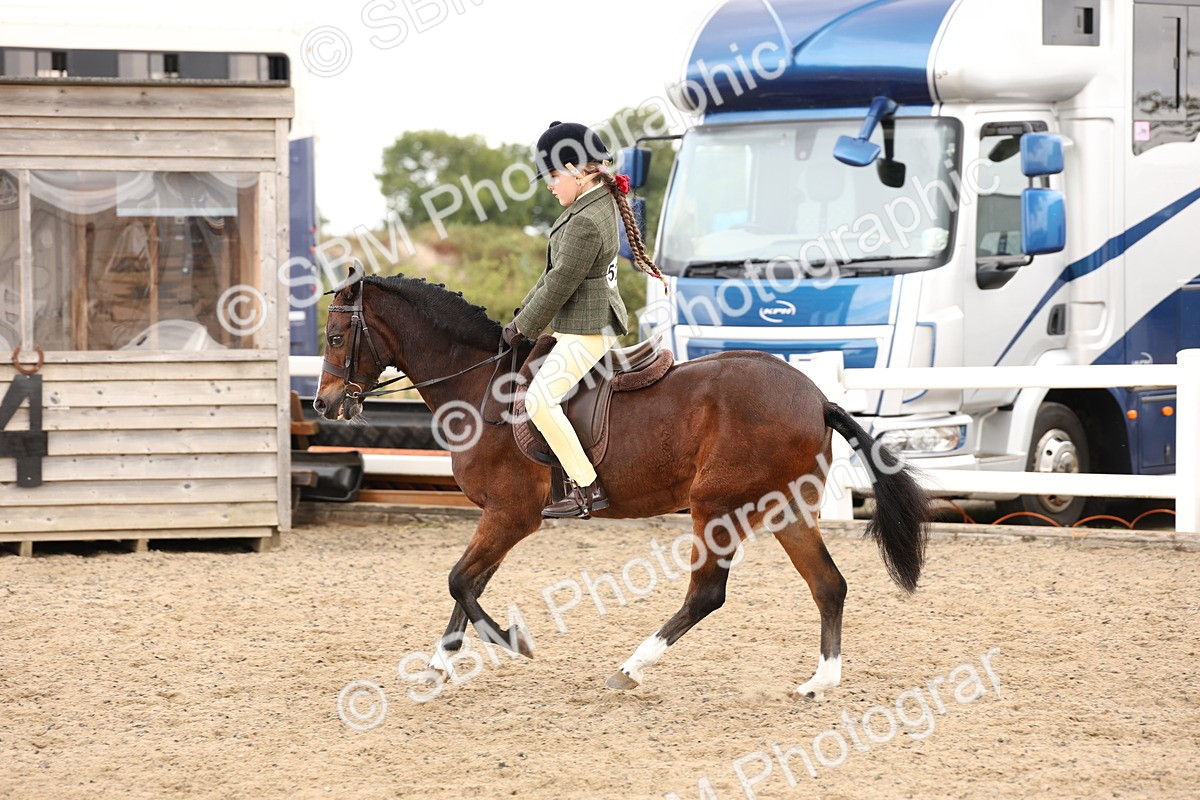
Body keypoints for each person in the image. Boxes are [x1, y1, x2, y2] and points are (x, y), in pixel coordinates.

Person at [501, 120, 668, 519]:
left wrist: (525, 328)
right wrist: (522, 315)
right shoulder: (590, 205)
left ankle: (587, 487)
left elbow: (560, 283)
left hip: (589, 328)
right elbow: (551, 274)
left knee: (540, 402)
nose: (549, 186)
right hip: (579, 322)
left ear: (575, 170)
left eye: (552, 176)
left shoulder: (585, 221)